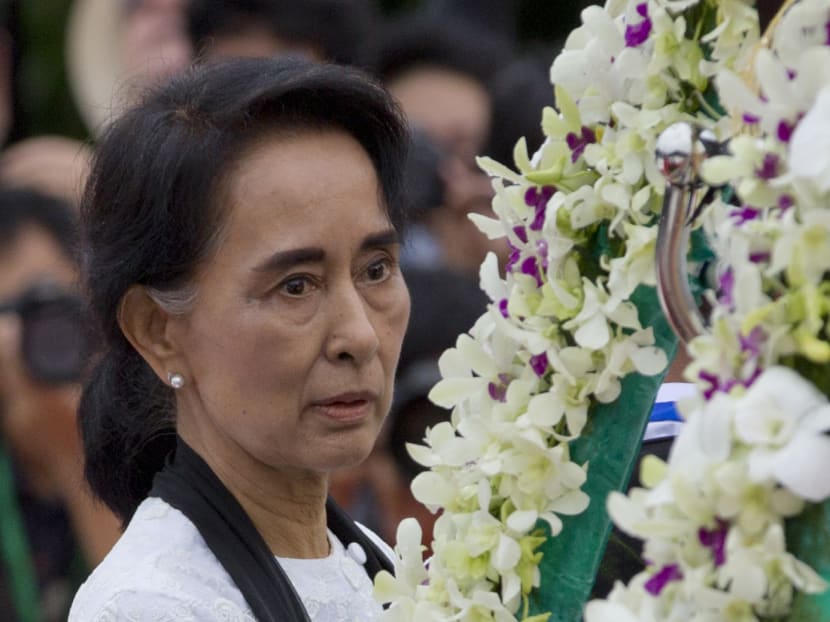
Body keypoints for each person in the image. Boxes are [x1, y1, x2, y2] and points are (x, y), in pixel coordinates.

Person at [68, 56, 411, 621]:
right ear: (159, 332)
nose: (359, 335)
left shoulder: (378, 564)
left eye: (376, 269)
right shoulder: (151, 605)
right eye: (296, 285)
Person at [0, 187, 120, 621]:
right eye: (7, 311)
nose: (34, 338)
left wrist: (75, 452)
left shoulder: (169, 451)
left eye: (51, 304)